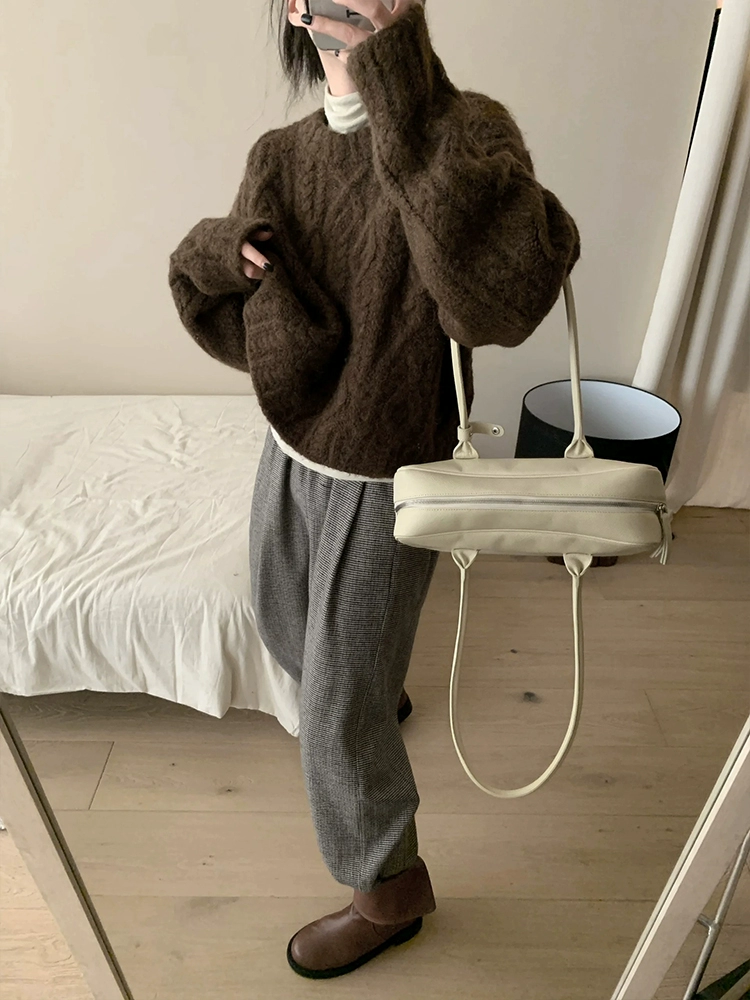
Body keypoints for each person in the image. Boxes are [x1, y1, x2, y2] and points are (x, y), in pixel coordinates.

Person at [168, 0, 580, 980]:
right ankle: (376, 680)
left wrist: (401, 89)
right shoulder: (282, 153)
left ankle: (388, 890)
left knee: (335, 711)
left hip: (388, 464)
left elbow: (490, 307)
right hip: (293, 443)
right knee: (283, 623)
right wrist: (231, 253)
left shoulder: (466, 132)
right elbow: (235, 308)